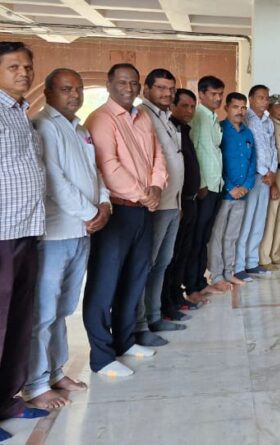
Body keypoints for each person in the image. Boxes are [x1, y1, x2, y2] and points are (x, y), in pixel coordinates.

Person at [25, 68, 107, 410]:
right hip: (57, 233)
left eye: (79, 89)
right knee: (43, 312)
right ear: (48, 91)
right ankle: (35, 382)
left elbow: (95, 171)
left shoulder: (80, 127)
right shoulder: (44, 125)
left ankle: (56, 372)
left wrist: (103, 203)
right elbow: (54, 180)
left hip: (82, 232)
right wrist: (90, 212)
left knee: (62, 309)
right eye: (66, 89)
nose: (74, 95)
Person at [83, 63, 168, 377]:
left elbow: (158, 156)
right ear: (109, 84)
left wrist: (157, 186)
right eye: (122, 82)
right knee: (105, 284)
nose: (129, 88)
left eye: (134, 82)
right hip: (118, 211)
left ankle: (125, 341)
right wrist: (142, 193)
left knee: (135, 279)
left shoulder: (142, 117)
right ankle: (102, 357)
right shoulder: (101, 120)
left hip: (144, 209)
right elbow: (108, 165)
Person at [0, 42, 49, 437]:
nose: (24, 73)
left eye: (28, 67)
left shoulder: (21, 113)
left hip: (28, 229)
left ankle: (8, 400)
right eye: (14, 66)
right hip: (2, 232)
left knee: (18, 320)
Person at [136, 68, 186, 348]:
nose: (167, 94)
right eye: (161, 89)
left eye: (170, 89)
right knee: (148, 265)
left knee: (162, 264)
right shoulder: (143, 117)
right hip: (155, 205)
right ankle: (139, 324)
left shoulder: (165, 117)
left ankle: (154, 316)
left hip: (172, 204)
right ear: (147, 89)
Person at [207, 92, 256, 288]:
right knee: (217, 236)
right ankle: (216, 275)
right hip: (225, 193)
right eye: (235, 107)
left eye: (243, 107)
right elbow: (216, 163)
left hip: (242, 194)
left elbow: (253, 161)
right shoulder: (219, 129)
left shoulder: (248, 133)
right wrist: (230, 187)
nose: (240, 111)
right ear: (226, 108)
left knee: (232, 235)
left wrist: (246, 186)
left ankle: (229, 272)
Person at [161, 88, 201, 319]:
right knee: (170, 256)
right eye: (184, 106)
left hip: (188, 201)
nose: (189, 111)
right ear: (173, 106)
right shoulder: (170, 127)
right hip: (177, 202)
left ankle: (176, 296)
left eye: (192, 106)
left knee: (182, 252)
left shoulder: (183, 129)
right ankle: (166, 303)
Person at [186, 75, 224, 300]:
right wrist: (201, 185)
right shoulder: (198, 117)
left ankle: (200, 281)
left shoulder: (212, 117)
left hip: (215, 184)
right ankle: (192, 286)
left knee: (204, 237)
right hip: (204, 188)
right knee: (197, 238)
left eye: (220, 94)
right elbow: (195, 153)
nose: (217, 98)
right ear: (201, 94)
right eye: (213, 94)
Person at [234, 85, 277, 281]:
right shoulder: (246, 119)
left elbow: (272, 148)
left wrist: (272, 172)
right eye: (260, 97)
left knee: (259, 221)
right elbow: (251, 151)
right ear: (251, 99)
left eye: (266, 98)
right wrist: (262, 172)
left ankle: (252, 262)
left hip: (267, 177)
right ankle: (239, 265)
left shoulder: (269, 122)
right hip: (252, 177)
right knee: (247, 222)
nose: (264, 101)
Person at [259, 94, 280, 271]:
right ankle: (264, 258)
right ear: (269, 108)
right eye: (279, 106)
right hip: (276, 174)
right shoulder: (269, 125)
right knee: (271, 216)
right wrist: (272, 183)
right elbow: (271, 154)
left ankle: (274, 254)